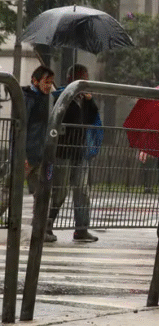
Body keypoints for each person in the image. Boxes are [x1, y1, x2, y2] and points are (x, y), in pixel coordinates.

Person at [47, 64, 100, 243]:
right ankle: (47, 224)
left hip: (79, 150)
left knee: (82, 190)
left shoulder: (85, 100)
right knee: (60, 191)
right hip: (63, 150)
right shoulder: (63, 96)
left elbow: (92, 118)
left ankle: (81, 229)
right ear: (72, 79)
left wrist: (90, 100)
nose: (85, 81)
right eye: (82, 77)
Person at [11, 66, 54, 238]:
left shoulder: (45, 98)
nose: (48, 86)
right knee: (10, 190)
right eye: (46, 82)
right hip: (27, 155)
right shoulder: (28, 99)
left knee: (41, 195)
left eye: (51, 82)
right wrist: (21, 154)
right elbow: (20, 127)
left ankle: (40, 230)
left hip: (39, 155)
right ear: (35, 81)